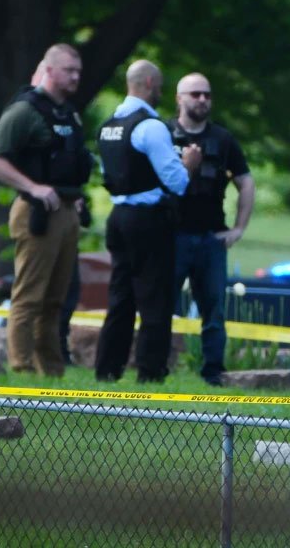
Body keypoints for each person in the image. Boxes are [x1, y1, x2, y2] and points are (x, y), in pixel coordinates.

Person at [0, 44, 93, 377]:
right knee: (29, 298)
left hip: (67, 212)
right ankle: (21, 369)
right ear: (50, 70)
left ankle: (52, 373)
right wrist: (32, 188)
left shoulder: (68, 113)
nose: (75, 77)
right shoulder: (25, 111)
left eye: (78, 71)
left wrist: (75, 196)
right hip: (36, 215)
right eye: (69, 70)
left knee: (56, 301)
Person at [94, 60, 202, 383]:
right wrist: (190, 164)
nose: (161, 92)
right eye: (159, 86)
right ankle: (150, 373)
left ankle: (107, 370)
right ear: (150, 82)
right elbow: (177, 182)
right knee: (155, 298)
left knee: (120, 297)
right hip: (148, 219)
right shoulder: (151, 126)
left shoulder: (110, 124)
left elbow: (107, 175)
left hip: (118, 217)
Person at [168, 73, 255, 386]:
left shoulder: (223, 139)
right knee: (162, 307)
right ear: (179, 98)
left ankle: (213, 373)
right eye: (195, 94)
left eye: (206, 94)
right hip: (171, 237)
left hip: (211, 238)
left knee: (214, 313)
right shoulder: (164, 133)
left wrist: (239, 228)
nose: (202, 100)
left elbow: (245, 182)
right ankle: (155, 370)